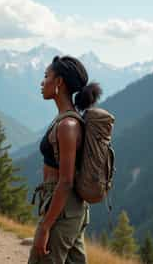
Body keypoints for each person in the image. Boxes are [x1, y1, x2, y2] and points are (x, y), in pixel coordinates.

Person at [28, 55, 102, 264]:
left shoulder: (67, 126)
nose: (42, 83)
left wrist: (45, 226)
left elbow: (66, 181)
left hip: (62, 207)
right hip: (71, 209)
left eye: (46, 76)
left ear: (59, 82)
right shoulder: (66, 120)